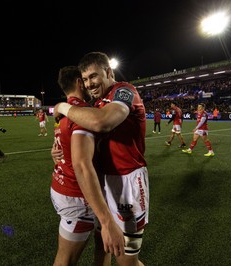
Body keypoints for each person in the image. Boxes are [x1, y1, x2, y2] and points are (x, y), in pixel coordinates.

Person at [54, 51, 149, 266]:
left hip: (129, 188)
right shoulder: (97, 103)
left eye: (94, 77)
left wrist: (62, 107)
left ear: (108, 72)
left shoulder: (125, 92)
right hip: (103, 183)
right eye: (85, 79)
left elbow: (103, 122)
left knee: (127, 260)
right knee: (103, 245)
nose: (89, 84)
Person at [51, 66, 124, 265]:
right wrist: (107, 220)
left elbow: (61, 146)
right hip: (76, 194)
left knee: (103, 247)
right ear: (78, 83)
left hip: (63, 183)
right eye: (84, 79)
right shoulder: (81, 114)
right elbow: (81, 165)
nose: (89, 84)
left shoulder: (63, 114)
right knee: (66, 259)